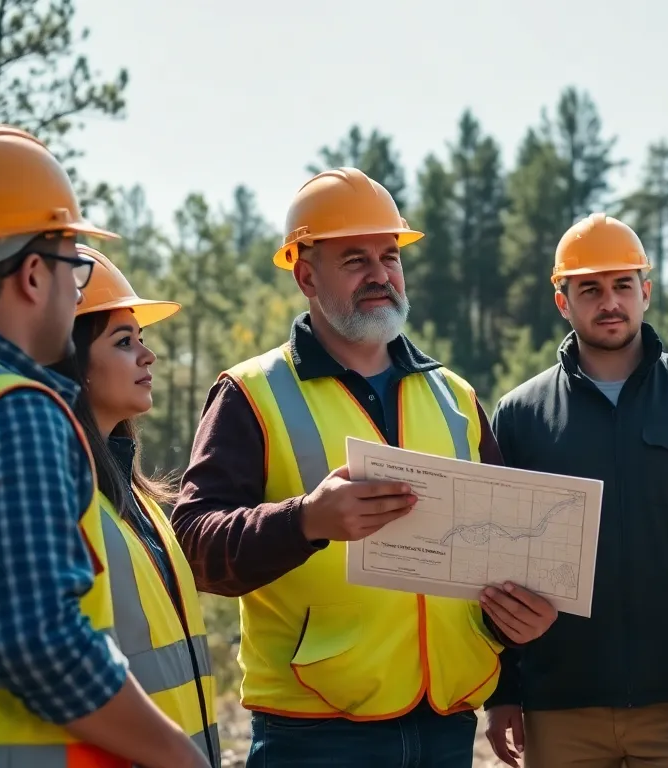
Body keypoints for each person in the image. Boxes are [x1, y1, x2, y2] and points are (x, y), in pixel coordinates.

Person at [170, 167, 559, 767]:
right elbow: (195, 547)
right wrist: (305, 521)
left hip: (448, 730)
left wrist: (517, 625)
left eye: (390, 256)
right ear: (305, 275)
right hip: (314, 737)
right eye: (355, 260)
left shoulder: (455, 397)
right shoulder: (250, 393)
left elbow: (500, 558)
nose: (381, 274)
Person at [0, 122, 209, 767]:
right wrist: (180, 757)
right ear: (30, 274)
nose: (76, 289)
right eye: (75, 267)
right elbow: (44, 644)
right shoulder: (10, 411)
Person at [483, 212, 668, 768]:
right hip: (560, 705)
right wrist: (504, 692)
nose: (610, 302)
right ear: (563, 301)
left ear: (645, 292)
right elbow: (498, 562)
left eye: (623, 285)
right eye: (590, 289)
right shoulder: (521, 415)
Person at [48, 246, 222, 766]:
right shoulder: (60, 499)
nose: (148, 356)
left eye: (141, 340)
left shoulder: (139, 500)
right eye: (124, 342)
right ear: (71, 363)